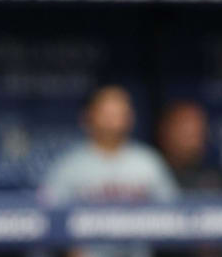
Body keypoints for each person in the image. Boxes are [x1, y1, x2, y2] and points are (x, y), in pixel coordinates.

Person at [41, 85, 178, 257]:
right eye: (106, 113)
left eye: (119, 113)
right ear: (88, 117)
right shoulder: (69, 166)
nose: (113, 119)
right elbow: (45, 221)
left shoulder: (148, 162)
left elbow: (174, 216)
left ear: (131, 118)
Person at [157, 100, 222, 192]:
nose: (195, 138)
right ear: (165, 130)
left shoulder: (215, 180)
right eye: (186, 130)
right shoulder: (148, 170)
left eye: (199, 130)